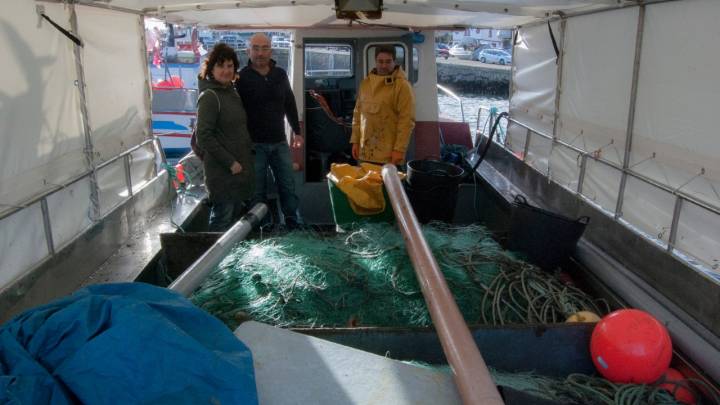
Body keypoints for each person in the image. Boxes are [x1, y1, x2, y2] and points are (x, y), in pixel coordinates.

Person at [235, 33, 303, 229]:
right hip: (254, 146)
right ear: (249, 51)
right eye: (256, 48)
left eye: (264, 48)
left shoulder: (280, 74)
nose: (260, 53)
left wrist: (297, 132)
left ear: (271, 51)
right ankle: (260, 229)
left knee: (288, 187)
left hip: (279, 142)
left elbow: (289, 103)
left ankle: (293, 224)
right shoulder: (241, 77)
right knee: (256, 192)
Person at [196, 43, 255, 232]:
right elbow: (203, 136)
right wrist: (230, 163)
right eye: (221, 66)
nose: (226, 71)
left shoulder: (232, 93)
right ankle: (211, 261)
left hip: (238, 174)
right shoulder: (210, 96)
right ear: (211, 69)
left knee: (234, 226)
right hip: (223, 175)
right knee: (221, 222)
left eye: (230, 66)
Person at [351, 45, 416, 165]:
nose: (384, 65)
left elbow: (406, 120)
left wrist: (399, 150)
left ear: (394, 61)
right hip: (365, 151)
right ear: (375, 61)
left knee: (387, 183)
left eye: (388, 61)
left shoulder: (402, 86)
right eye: (380, 61)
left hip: (389, 154)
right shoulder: (365, 84)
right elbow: (358, 114)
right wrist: (355, 141)